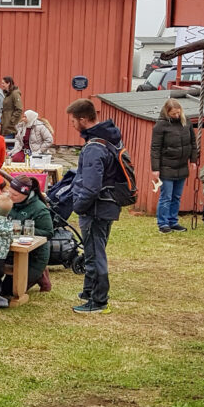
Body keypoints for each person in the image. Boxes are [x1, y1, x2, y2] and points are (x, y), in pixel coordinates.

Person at [66, 98, 124, 314]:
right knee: (93, 251)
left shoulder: (93, 148)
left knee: (95, 253)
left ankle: (98, 301)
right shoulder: (108, 139)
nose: (72, 125)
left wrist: (79, 206)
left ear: (83, 119)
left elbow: (91, 186)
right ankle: (88, 291)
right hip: (107, 205)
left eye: (73, 121)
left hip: (96, 208)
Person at [151, 98, 198, 234]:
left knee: (176, 196)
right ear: (167, 113)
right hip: (166, 166)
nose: (177, 116)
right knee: (166, 197)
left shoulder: (186, 122)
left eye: (178, 113)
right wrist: (155, 169)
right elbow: (155, 148)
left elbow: (193, 142)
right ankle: (163, 223)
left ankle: (173, 221)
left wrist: (193, 160)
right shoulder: (160, 126)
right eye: (173, 114)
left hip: (182, 166)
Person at [1, 175, 55, 294]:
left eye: (14, 195)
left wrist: (23, 229)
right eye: (9, 192)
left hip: (33, 255)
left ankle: (39, 274)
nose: (10, 196)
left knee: (9, 292)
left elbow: (49, 233)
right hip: (11, 250)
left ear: (26, 194)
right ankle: (40, 276)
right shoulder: (10, 202)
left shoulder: (40, 209)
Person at [0, 76, 23, 143]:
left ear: (8, 83)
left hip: (10, 127)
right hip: (5, 125)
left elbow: (19, 109)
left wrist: (12, 121)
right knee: (4, 145)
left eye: (3, 83)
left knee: (9, 146)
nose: (2, 85)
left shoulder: (15, 94)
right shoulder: (7, 95)